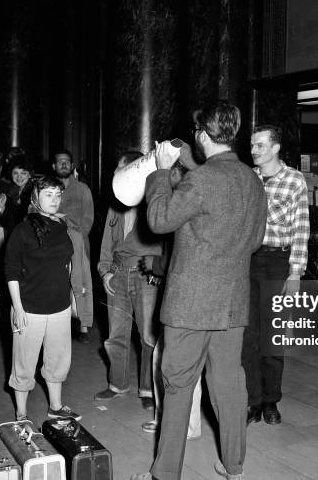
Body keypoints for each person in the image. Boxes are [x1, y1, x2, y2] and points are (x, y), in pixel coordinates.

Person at [131, 101, 267, 480]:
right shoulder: (252, 180)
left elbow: (158, 220)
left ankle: (165, 473)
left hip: (191, 304)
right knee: (228, 385)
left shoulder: (203, 181)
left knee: (177, 386)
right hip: (231, 302)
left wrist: (159, 173)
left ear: (203, 135)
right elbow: (254, 240)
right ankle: (233, 465)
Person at [242, 124, 310, 426]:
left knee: (272, 337)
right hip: (248, 261)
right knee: (247, 337)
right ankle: (252, 401)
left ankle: (271, 401)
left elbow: (301, 229)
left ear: (276, 147)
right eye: (253, 145)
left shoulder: (294, 180)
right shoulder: (248, 177)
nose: (254, 150)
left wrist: (295, 273)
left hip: (278, 262)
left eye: (260, 145)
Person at [5, 175, 80, 421]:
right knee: (24, 363)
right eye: (48, 194)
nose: (54, 200)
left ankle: (56, 407)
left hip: (59, 307)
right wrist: (18, 308)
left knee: (58, 361)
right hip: (30, 308)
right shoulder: (22, 230)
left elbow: (66, 266)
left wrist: (72, 299)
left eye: (58, 195)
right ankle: (22, 414)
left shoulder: (60, 227)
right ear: (35, 197)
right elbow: (11, 271)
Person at [140, 154, 203, 440]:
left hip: (186, 297)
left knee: (170, 361)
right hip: (191, 295)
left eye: (169, 174)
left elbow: (184, 254)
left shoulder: (184, 202)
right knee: (181, 364)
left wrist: (155, 265)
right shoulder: (196, 198)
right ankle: (177, 422)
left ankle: (176, 424)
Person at [95, 151, 162, 411]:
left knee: (147, 335)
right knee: (116, 335)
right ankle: (117, 384)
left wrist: (160, 271)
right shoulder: (117, 203)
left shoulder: (155, 199)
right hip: (118, 274)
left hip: (147, 275)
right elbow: (106, 243)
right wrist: (105, 272)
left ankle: (147, 388)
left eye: (122, 171)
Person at [52, 149, 94, 343]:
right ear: (54, 166)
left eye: (67, 162)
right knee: (59, 282)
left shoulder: (83, 189)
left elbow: (88, 218)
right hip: (56, 244)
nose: (63, 164)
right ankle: (59, 327)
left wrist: (77, 236)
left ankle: (83, 327)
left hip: (79, 243)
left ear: (72, 166)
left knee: (82, 283)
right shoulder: (49, 188)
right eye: (60, 162)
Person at [2, 155, 34, 237]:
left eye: (23, 173)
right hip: (12, 236)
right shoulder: (10, 192)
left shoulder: (34, 193)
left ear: (30, 175)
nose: (19, 177)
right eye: (15, 173)